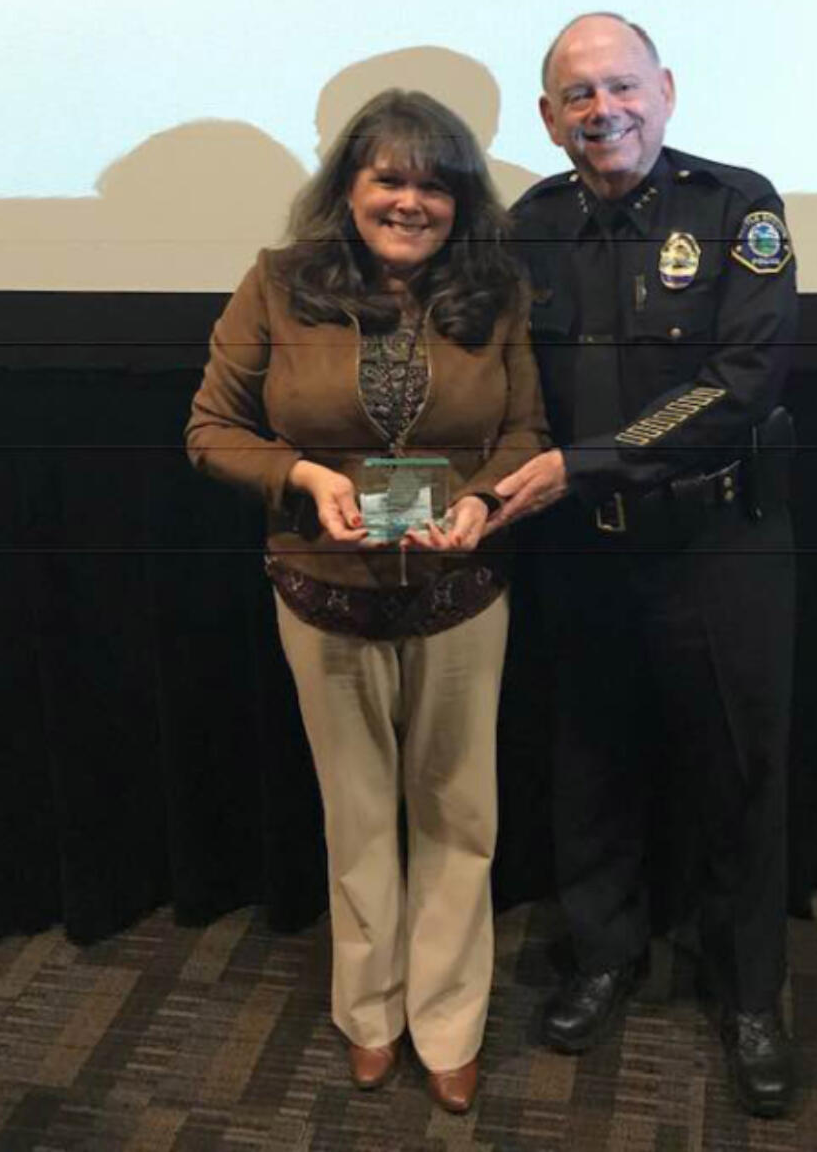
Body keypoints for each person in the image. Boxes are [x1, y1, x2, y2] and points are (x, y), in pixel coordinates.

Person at [186, 89, 548, 1114]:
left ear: (459, 200)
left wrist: (480, 504)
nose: (410, 201)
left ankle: (447, 1023)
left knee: (456, 817)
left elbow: (525, 432)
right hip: (321, 592)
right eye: (388, 178)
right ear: (347, 189)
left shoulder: (497, 292)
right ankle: (369, 1014)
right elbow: (211, 428)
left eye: (434, 184)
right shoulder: (275, 285)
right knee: (355, 820)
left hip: (459, 592)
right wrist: (304, 479)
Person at [491, 14, 799, 1117]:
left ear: (664, 91)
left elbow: (740, 381)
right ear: (547, 117)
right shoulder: (525, 228)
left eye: (620, 86)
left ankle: (748, 990)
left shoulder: (735, 208)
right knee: (589, 762)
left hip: (716, 546)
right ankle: (604, 956)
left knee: (737, 773)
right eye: (576, 96)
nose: (601, 110)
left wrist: (589, 460)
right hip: (583, 554)